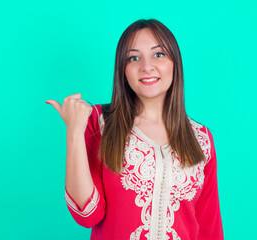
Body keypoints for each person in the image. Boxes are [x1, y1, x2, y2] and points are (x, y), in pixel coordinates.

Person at [45, 19, 223, 240]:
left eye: (158, 54)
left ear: (175, 63)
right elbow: (86, 214)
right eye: (134, 58)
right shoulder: (100, 123)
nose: (147, 66)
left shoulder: (201, 138)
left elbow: (209, 227)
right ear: (123, 70)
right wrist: (73, 131)